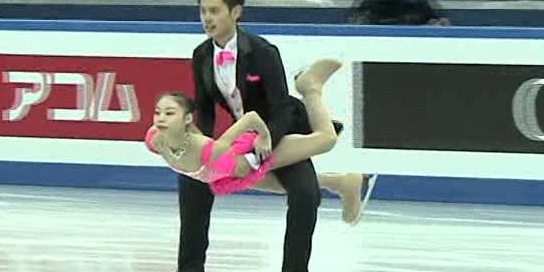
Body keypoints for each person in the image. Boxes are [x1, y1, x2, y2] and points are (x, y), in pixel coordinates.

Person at [171, 0, 371, 272]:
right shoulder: (201, 54)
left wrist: (262, 144)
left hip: (280, 129)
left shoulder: (262, 52)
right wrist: (202, 148)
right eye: (203, 11)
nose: (207, 18)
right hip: (243, 132)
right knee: (193, 180)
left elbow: (279, 109)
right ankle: (191, 269)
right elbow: (205, 109)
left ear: (236, 12)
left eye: (215, 11)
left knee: (304, 192)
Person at [145, 60, 375, 223]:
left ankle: (310, 86)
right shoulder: (155, 139)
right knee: (282, 187)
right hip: (232, 174)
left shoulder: (209, 149)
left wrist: (265, 137)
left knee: (325, 140)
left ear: (186, 119)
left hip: (253, 155)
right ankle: (343, 183)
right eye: (158, 113)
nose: (161, 118)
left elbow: (251, 118)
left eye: (169, 114)